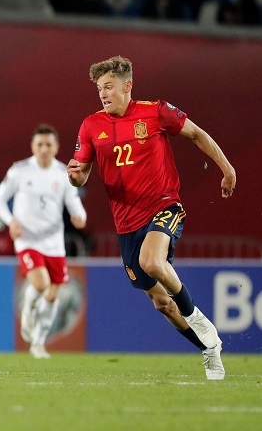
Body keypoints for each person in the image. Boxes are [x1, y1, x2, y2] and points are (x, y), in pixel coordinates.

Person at [67, 55, 236, 380]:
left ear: (127, 86)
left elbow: (197, 134)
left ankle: (200, 321)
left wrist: (227, 169)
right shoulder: (91, 125)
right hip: (126, 223)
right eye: (100, 88)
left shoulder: (155, 111)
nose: (103, 93)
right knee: (162, 304)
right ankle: (208, 347)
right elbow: (81, 174)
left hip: (163, 206)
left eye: (109, 86)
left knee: (153, 262)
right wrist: (74, 177)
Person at [0, 124, 87, 359]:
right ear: (33, 146)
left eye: (48, 144)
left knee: (53, 294)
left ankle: (38, 343)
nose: (44, 149)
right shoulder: (20, 171)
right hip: (27, 239)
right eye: (39, 144)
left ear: (56, 147)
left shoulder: (63, 173)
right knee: (42, 284)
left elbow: (73, 202)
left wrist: (80, 216)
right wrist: (10, 221)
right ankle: (27, 311)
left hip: (54, 242)